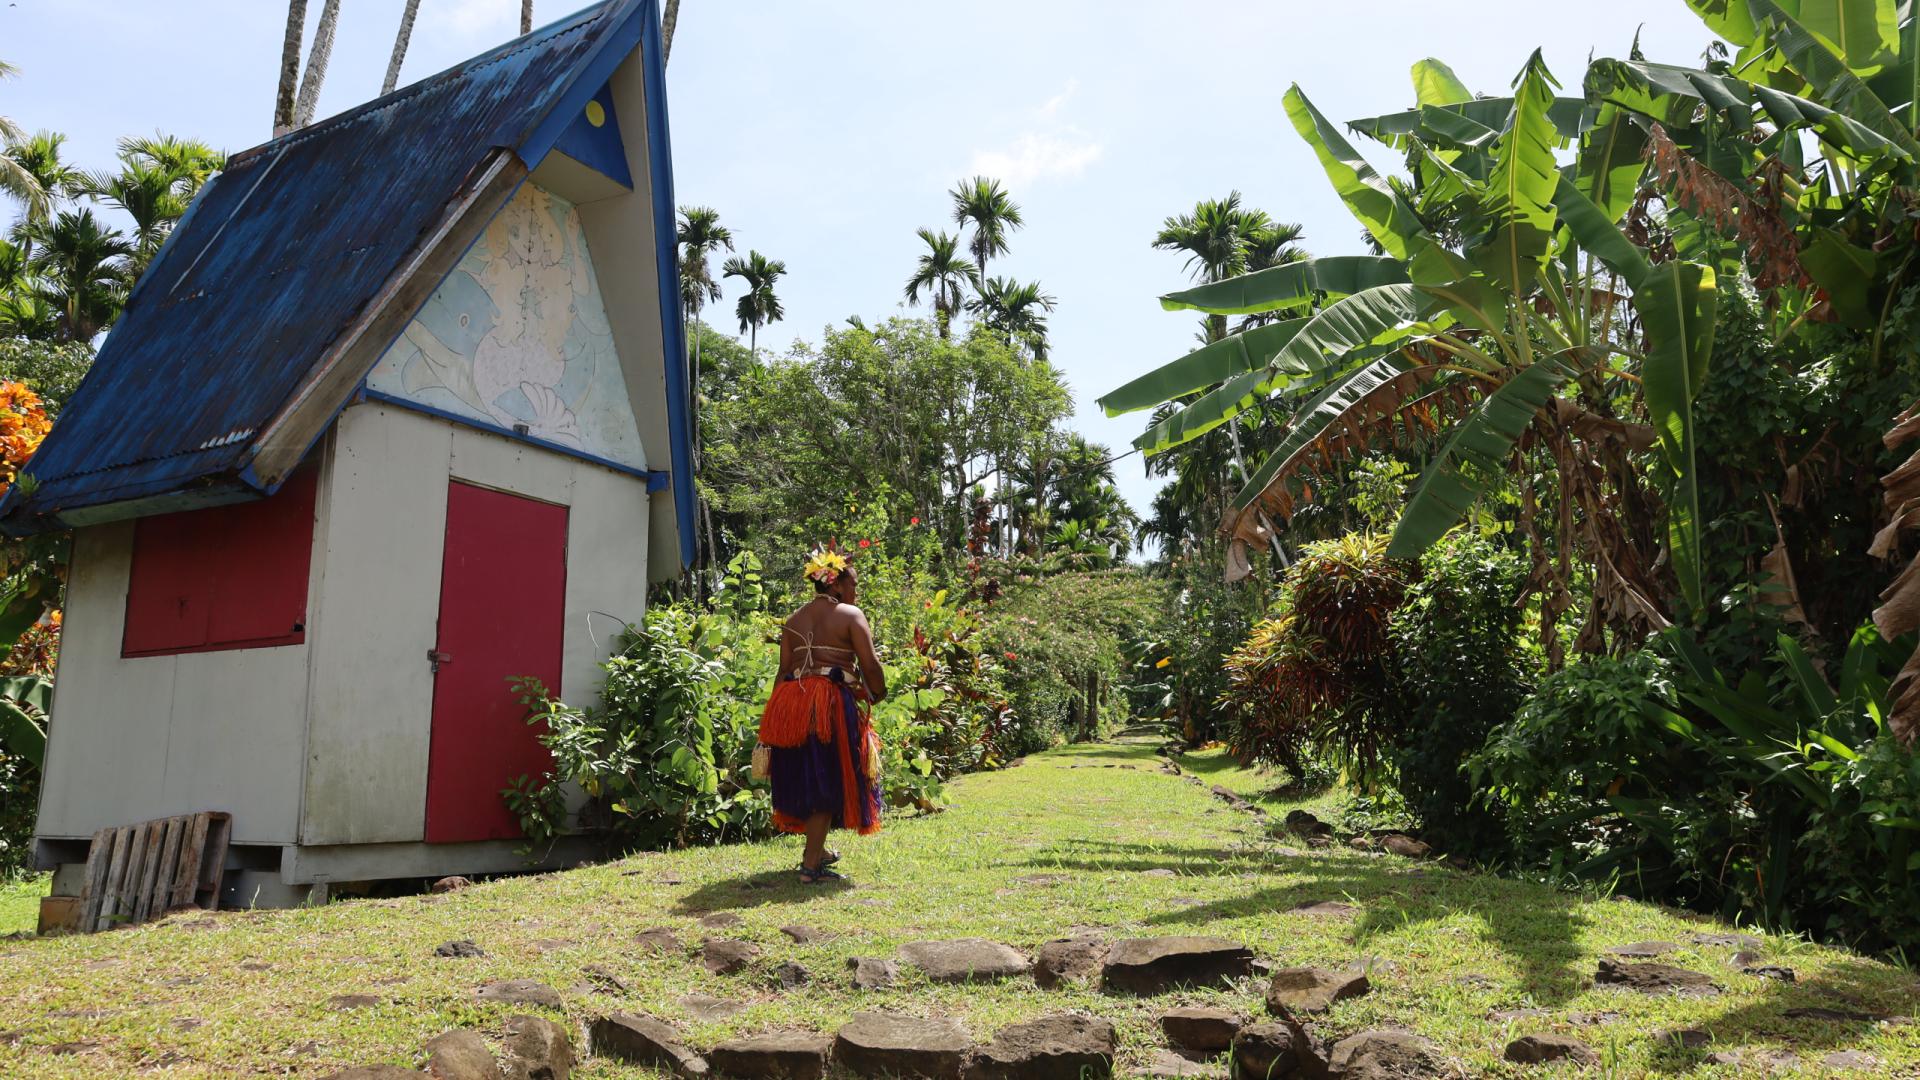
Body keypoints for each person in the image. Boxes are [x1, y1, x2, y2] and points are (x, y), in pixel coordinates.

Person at [756, 545, 886, 883]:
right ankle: (810, 867)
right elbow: (870, 665)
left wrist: (772, 722)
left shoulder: (794, 620)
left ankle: (817, 851)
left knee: (809, 777)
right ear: (836, 584)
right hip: (828, 702)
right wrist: (880, 692)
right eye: (854, 584)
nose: (856, 591)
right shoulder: (850, 615)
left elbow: (784, 671)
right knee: (826, 779)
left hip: (791, 703)